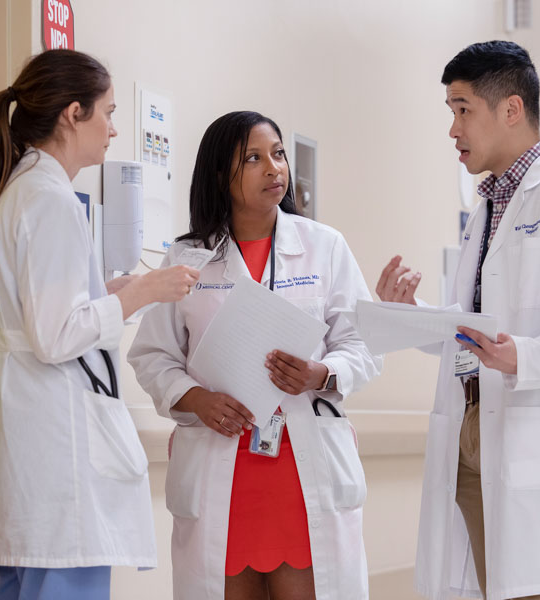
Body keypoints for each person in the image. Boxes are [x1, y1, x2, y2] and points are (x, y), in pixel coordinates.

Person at [376, 41, 540, 600]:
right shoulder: (487, 206)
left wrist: (527, 356)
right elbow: (479, 325)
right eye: (452, 112)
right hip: (472, 430)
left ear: (511, 110)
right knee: (492, 588)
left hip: (532, 428)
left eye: (463, 110)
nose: (453, 129)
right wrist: (409, 317)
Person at [0, 49, 199, 600]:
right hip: (54, 471)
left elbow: (36, 315)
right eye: (108, 113)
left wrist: (108, 295)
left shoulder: (18, 192)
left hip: (25, 467)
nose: (113, 129)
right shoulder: (49, 200)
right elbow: (56, 335)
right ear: (73, 113)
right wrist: (142, 291)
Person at [127, 111, 382, 600]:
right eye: (254, 158)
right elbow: (152, 355)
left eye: (279, 154)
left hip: (302, 474)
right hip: (222, 471)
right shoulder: (187, 257)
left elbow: (362, 344)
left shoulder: (324, 247)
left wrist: (322, 372)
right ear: (221, 173)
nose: (274, 168)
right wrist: (193, 396)